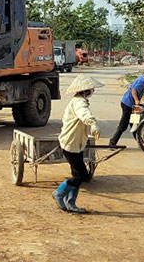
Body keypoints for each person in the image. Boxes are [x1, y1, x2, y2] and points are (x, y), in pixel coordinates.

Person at [54, 74, 103, 214]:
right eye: (91, 88)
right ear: (86, 90)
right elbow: (84, 114)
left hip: (76, 143)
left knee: (77, 174)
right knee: (81, 176)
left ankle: (70, 203)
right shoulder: (79, 102)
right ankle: (59, 193)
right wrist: (93, 123)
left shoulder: (79, 100)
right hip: (70, 143)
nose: (93, 90)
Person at [108, 67, 144, 147]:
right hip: (128, 105)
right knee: (123, 126)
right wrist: (136, 100)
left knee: (135, 124)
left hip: (134, 106)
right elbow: (133, 90)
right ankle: (112, 143)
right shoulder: (141, 81)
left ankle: (140, 142)